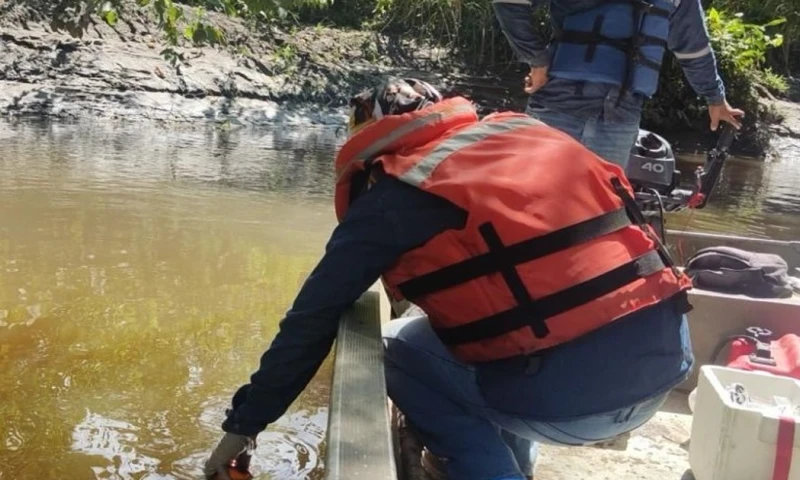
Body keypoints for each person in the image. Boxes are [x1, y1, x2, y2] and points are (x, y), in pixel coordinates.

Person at [203, 78, 696, 480]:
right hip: (669, 366)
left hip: (571, 412)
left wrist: (244, 427)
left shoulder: (396, 192)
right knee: (517, 331)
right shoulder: (530, 133)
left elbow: (310, 321)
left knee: (394, 347)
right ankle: (516, 466)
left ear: (369, 142)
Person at [492, 0, 745, 168]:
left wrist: (714, 97)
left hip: (621, 118)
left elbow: (694, 48)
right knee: (533, 202)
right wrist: (536, 58)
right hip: (559, 105)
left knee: (597, 215)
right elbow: (510, 4)